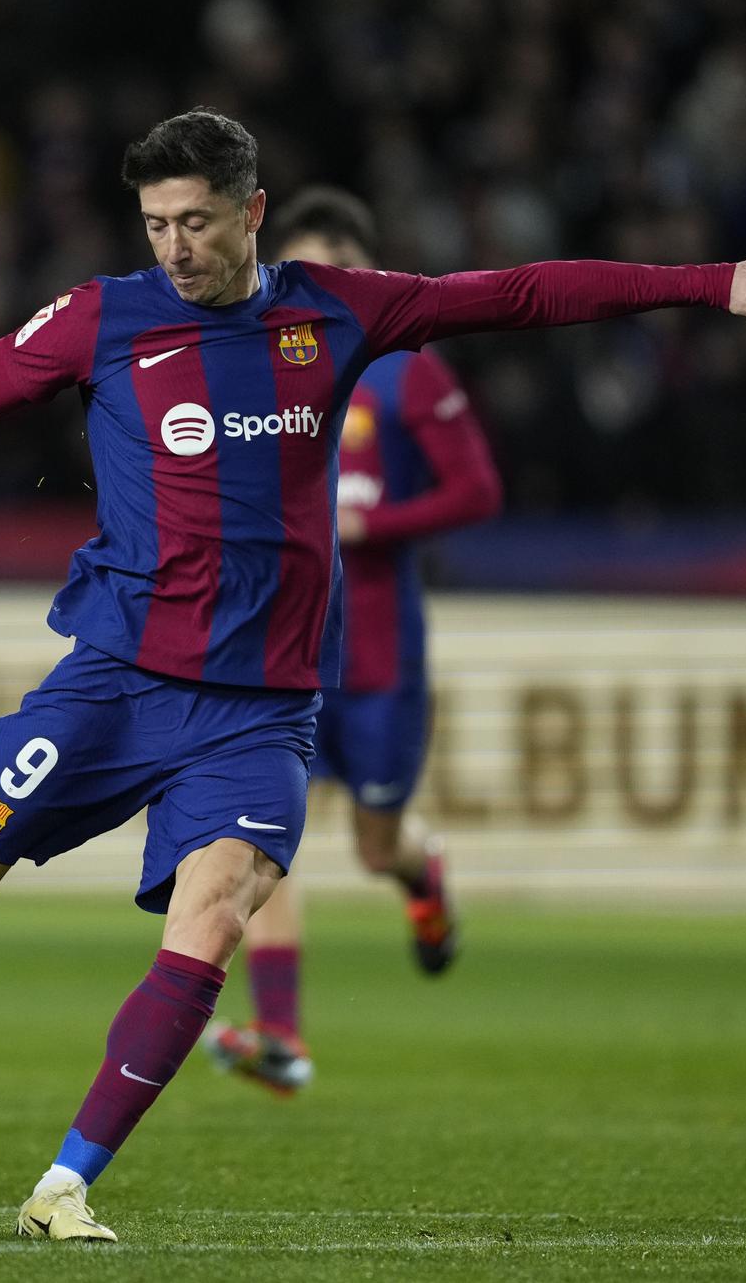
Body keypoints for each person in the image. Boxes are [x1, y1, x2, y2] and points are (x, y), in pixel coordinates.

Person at [0, 109, 746, 1240]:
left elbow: (518, 293)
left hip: (259, 710)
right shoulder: (102, 319)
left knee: (212, 917)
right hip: (116, 679)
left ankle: (64, 1185)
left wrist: (714, 283)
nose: (173, 246)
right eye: (154, 223)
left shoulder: (334, 310)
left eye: (195, 221)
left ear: (251, 211)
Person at [204, 186, 503, 1097]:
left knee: (376, 847)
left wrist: (376, 527)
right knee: (263, 840)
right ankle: (282, 1035)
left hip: (376, 651)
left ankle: (423, 870)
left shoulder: (408, 370)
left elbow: (479, 492)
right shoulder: (256, 365)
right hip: (282, 644)